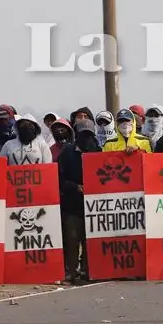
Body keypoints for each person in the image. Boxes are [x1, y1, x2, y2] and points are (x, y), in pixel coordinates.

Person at [57, 119, 100, 282]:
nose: (86, 138)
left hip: (93, 206)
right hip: (72, 205)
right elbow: (59, 179)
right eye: (83, 135)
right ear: (77, 134)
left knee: (90, 240)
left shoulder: (98, 151)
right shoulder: (66, 153)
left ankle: (87, 270)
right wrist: (76, 187)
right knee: (72, 238)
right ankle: (72, 270)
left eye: (89, 135)